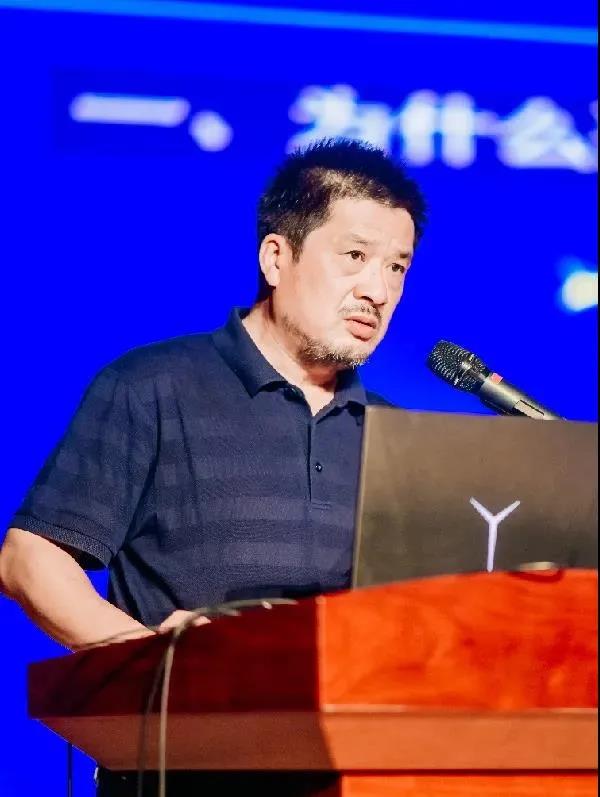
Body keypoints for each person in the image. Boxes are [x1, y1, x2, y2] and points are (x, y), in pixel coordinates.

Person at [0, 138, 426, 795]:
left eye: (397, 267)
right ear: (276, 257)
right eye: (355, 257)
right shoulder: (152, 387)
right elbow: (30, 559)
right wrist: (158, 664)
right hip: (181, 765)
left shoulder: (396, 435)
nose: (378, 290)